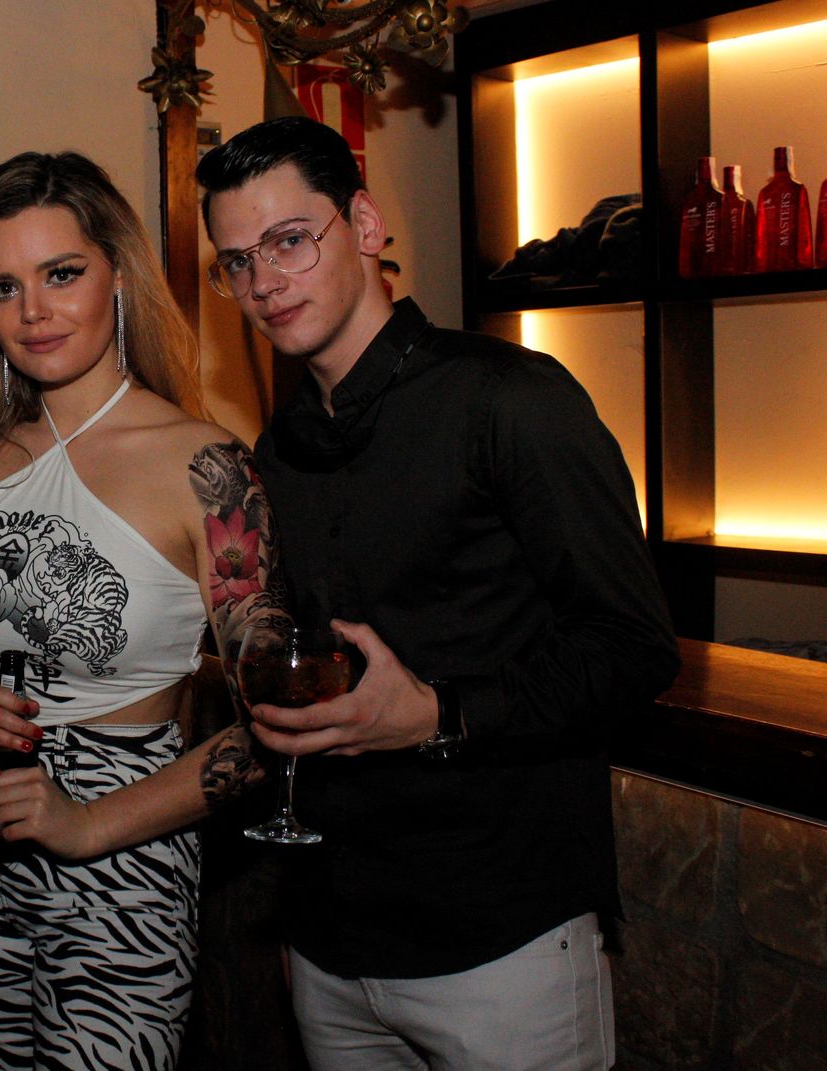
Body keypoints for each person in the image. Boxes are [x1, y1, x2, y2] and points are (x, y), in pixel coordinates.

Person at [195, 115, 680, 1071]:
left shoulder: (512, 399)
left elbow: (633, 647)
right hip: (332, 941)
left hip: (501, 940)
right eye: (237, 262)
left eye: (289, 240)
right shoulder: (281, 448)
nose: (264, 283)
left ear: (365, 225)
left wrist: (438, 712)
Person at [0, 151, 284, 1071]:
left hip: (123, 856)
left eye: (61, 273)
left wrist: (90, 824)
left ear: (118, 276)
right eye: (3, 287)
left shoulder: (206, 466)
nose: (33, 311)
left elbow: (278, 726)